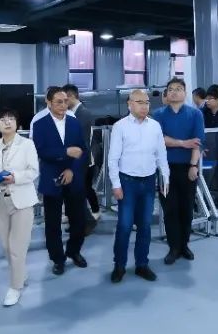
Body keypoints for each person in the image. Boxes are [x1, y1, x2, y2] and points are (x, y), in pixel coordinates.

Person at [108, 89, 169, 283]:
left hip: (148, 182)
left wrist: (165, 177)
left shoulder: (155, 126)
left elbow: (161, 154)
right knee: (125, 226)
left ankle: (142, 264)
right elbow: (113, 159)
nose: (144, 106)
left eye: (147, 102)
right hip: (127, 183)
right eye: (139, 102)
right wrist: (116, 185)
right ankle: (119, 265)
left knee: (145, 225)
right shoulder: (120, 127)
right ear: (129, 104)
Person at [0, 109, 40, 306]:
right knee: (7, 246)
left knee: (17, 247)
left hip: (21, 201)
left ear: (17, 124)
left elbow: (33, 171)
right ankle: (20, 273)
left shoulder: (27, 144)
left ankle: (15, 287)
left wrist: (15, 177)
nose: (7, 122)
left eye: (11, 119)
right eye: (3, 120)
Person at [32, 87, 87, 275]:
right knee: (53, 223)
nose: (64, 105)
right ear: (48, 103)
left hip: (74, 177)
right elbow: (41, 151)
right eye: (59, 102)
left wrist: (72, 169)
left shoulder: (74, 122)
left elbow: (82, 149)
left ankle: (74, 251)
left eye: (65, 101)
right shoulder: (40, 124)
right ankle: (58, 259)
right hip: (52, 178)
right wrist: (65, 152)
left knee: (78, 220)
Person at [153, 78, 205, 264]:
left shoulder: (195, 114)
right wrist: (183, 143)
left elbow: (198, 142)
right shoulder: (158, 114)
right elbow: (159, 139)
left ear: (185, 92)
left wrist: (193, 165)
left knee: (186, 207)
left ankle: (184, 245)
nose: (174, 92)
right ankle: (173, 247)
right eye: (171, 89)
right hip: (165, 169)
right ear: (167, 93)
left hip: (187, 167)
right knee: (170, 208)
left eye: (178, 89)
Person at [64, 84, 100, 231]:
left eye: (65, 99)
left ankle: (87, 220)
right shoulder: (72, 112)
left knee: (81, 192)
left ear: (72, 96)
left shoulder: (83, 113)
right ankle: (78, 221)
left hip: (81, 160)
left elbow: (81, 140)